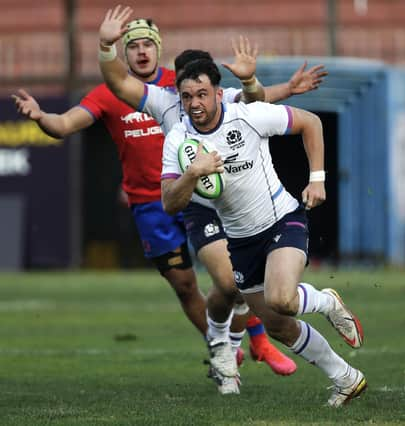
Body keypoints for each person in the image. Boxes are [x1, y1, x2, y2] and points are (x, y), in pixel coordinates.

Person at [11, 11, 300, 389]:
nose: (141, 51)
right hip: (151, 206)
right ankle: (220, 347)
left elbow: (241, 104)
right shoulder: (113, 93)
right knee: (184, 285)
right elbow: (64, 125)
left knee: (232, 280)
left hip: (200, 198)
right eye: (132, 46)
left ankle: (259, 341)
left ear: (158, 48)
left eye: (147, 44)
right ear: (125, 55)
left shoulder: (181, 87)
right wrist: (39, 116)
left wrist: (288, 90)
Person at [95, 6, 328, 392]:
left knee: (234, 288)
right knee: (227, 281)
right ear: (177, 86)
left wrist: (278, 86)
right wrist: (106, 46)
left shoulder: (225, 99)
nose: (193, 98)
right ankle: (230, 344)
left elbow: (257, 100)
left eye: (201, 88)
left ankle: (226, 345)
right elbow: (119, 83)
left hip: (238, 199)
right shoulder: (165, 102)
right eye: (186, 87)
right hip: (199, 202)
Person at [160, 58, 366, 406]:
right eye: (187, 96)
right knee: (278, 325)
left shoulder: (248, 116)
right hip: (240, 242)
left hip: (281, 221)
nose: (194, 103)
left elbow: (310, 122)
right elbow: (170, 203)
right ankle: (346, 378)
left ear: (218, 94)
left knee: (282, 299)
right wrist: (193, 173)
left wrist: (317, 180)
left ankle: (326, 301)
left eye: (202, 94)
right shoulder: (178, 140)